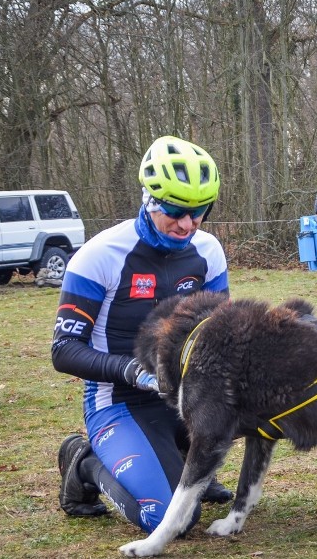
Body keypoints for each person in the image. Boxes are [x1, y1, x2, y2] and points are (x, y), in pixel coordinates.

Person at [52, 136, 233, 533]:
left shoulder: (208, 251)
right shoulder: (100, 256)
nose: (187, 224)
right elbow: (63, 351)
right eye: (175, 210)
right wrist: (133, 371)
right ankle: (84, 461)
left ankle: (185, 458)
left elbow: (220, 334)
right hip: (119, 401)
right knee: (169, 520)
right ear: (149, 199)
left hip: (184, 398)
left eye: (200, 211)